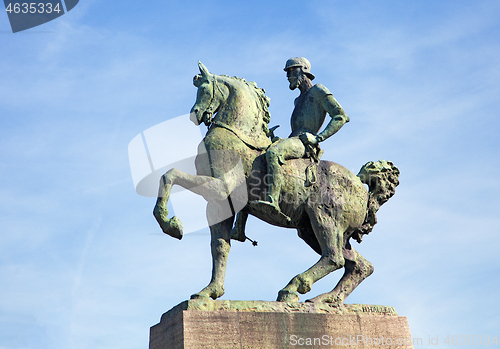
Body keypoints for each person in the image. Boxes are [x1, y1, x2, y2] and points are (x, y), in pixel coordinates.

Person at [252, 57, 350, 221]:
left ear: (303, 70)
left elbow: (341, 116)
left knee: (274, 154)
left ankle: (273, 201)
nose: (288, 76)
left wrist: (318, 138)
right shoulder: (298, 100)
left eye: (291, 71)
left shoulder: (318, 90)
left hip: (305, 143)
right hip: (294, 139)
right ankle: (239, 228)